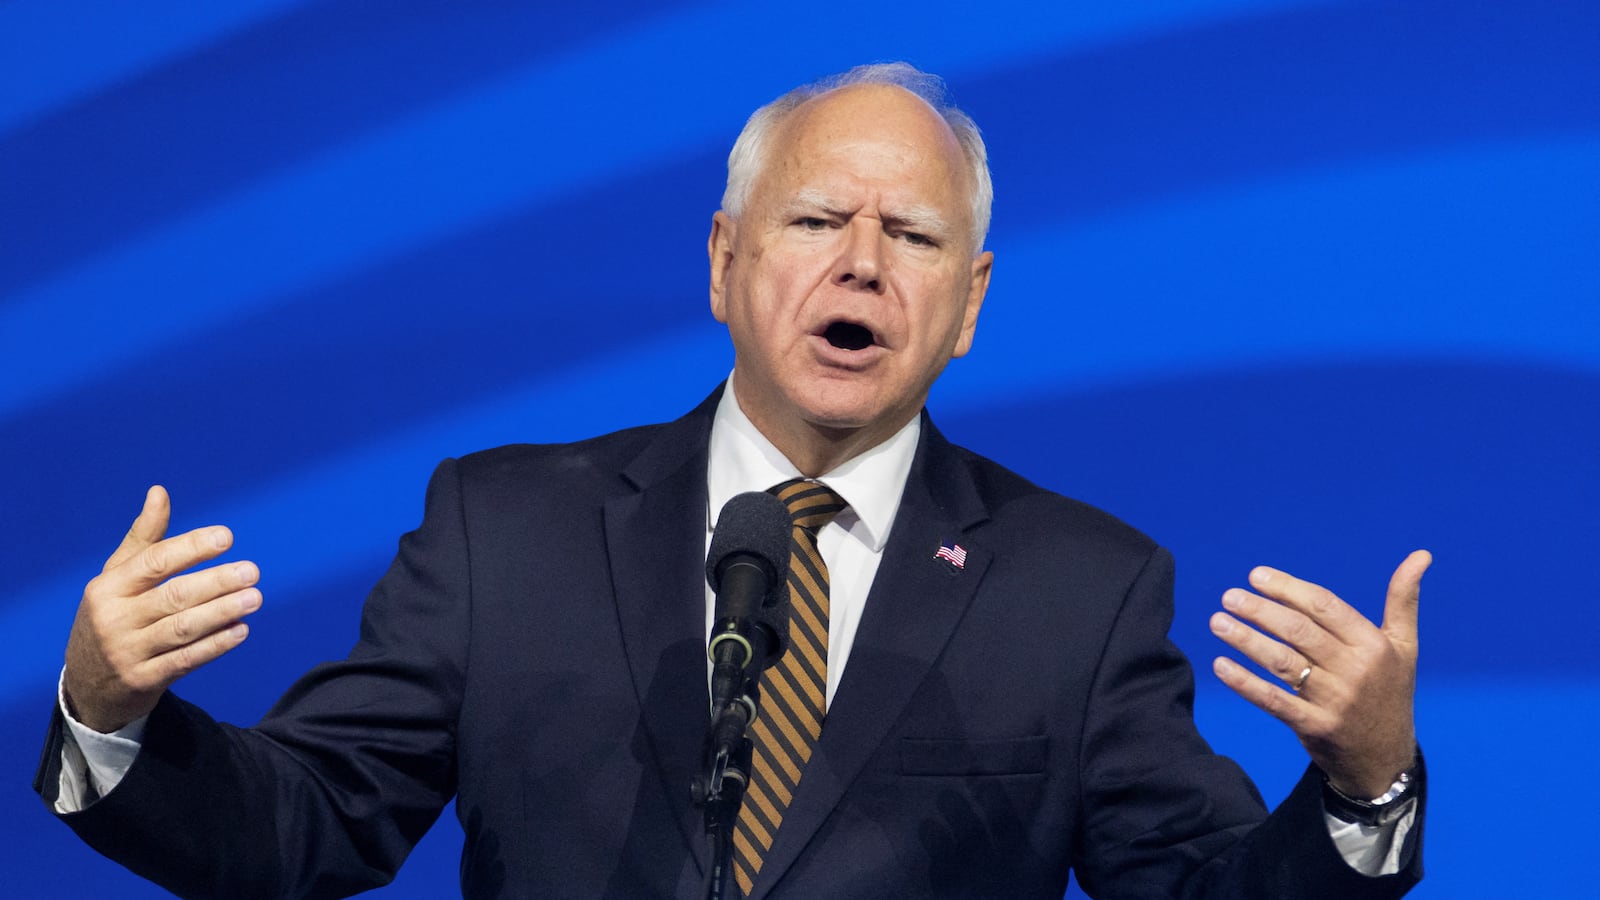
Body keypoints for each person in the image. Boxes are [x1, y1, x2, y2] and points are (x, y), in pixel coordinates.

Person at [37, 63, 1427, 899]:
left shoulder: (1078, 586)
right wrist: (110, 715)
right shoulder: (503, 528)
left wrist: (1363, 790)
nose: (863, 265)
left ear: (970, 305)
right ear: (721, 261)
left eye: (916, 238)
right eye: (817, 221)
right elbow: (302, 829)